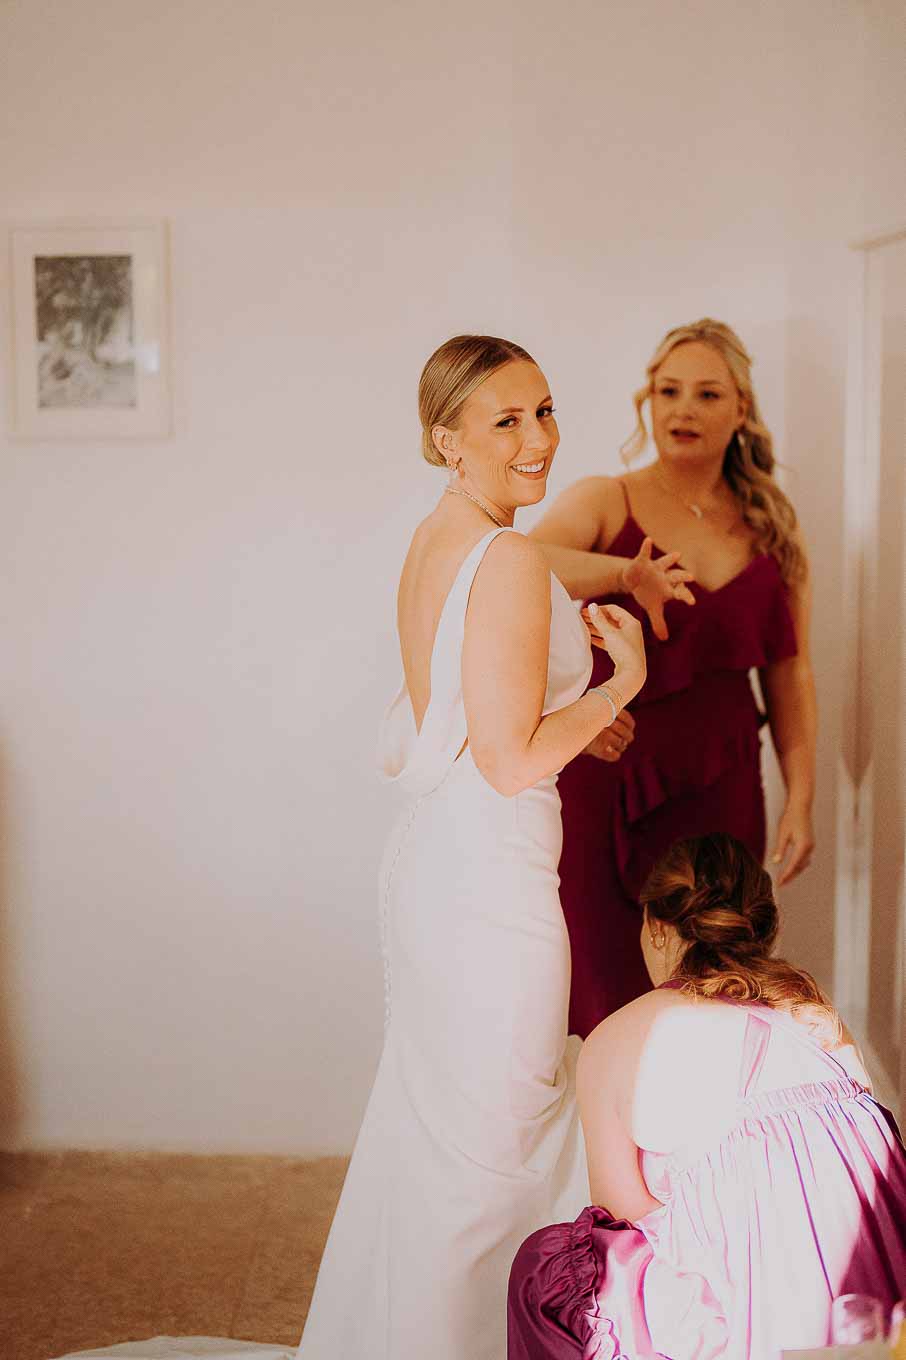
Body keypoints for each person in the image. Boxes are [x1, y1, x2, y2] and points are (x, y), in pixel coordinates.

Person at [298, 335, 648, 1360]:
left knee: (451, 1136)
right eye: (507, 420)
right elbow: (508, 759)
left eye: (545, 410)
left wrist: (579, 718)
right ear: (447, 439)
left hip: (444, 865)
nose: (539, 438)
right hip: (492, 886)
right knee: (497, 1145)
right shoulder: (505, 556)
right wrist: (617, 686)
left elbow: (468, 711)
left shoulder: (443, 537)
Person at [507, 833, 906, 1360]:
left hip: (746, 1314)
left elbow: (620, 1221)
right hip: (878, 1295)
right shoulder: (817, 1016)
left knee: (546, 1270)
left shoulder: (619, 1037)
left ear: (655, 926)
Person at [530, 318, 816, 1038]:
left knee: (721, 991)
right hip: (609, 776)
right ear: (648, 401)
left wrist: (803, 796)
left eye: (707, 394)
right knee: (601, 985)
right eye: (668, 391)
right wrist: (624, 574)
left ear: (741, 410)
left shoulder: (772, 526)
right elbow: (520, 564)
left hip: (724, 786)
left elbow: (790, 671)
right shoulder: (605, 499)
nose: (683, 409)